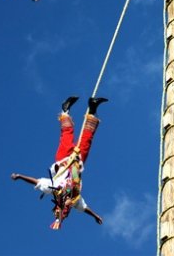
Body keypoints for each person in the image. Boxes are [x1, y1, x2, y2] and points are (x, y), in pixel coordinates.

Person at [11, 95, 108, 229]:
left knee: (67, 135)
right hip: (77, 161)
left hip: (63, 159)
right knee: (87, 139)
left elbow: (37, 182)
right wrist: (95, 216)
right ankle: (92, 108)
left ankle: (65, 110)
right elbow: (84, 208)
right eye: (68, 206)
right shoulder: (75, 199)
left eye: (65, 204)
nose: (68, 202)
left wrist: (20, 176)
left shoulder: (54, 188)